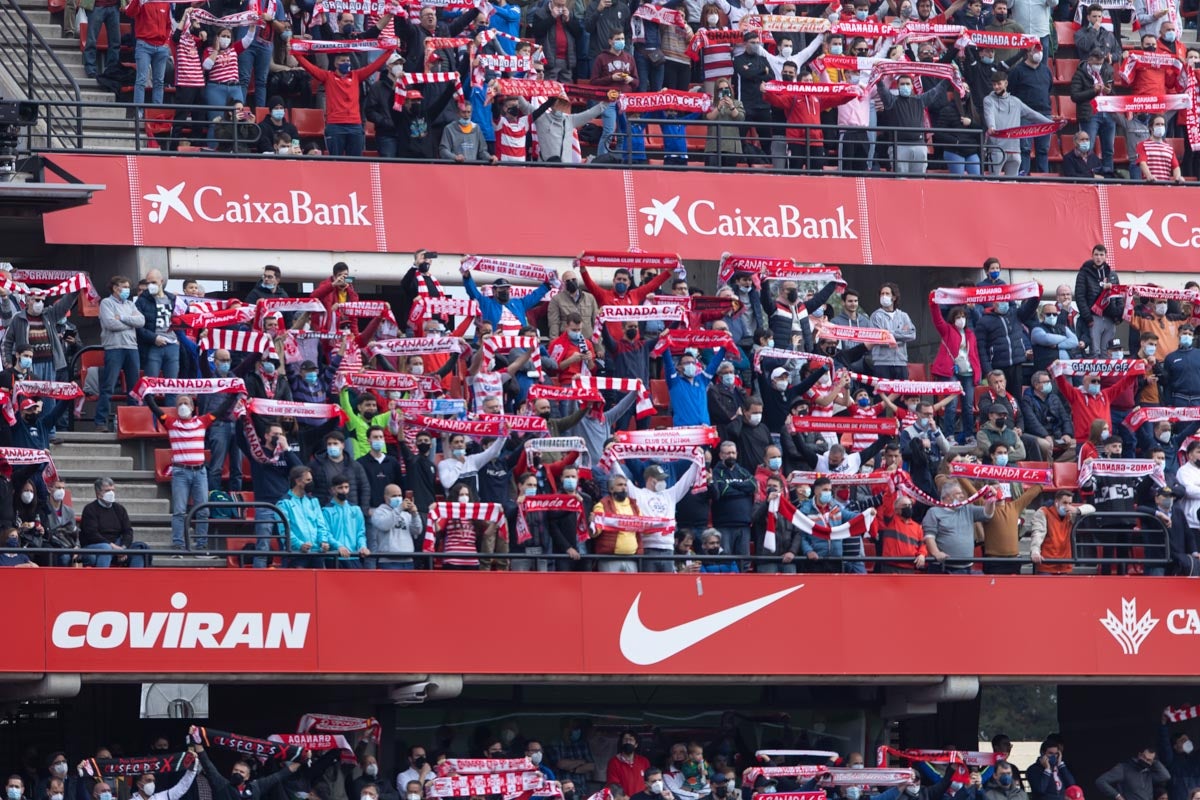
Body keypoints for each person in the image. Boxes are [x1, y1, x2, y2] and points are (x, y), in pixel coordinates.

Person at [293, 50, 392, 157]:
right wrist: (295, 53)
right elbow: (310, 68)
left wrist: (390, 51)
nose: (346, 63)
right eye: (343, 61)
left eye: (348, 60)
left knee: (355, 163)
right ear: (335, 64)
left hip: (355, 126)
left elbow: (374, 66)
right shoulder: (328, 76)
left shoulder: (356, 75)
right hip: (335, 126)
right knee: (336, 162)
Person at [94, 275, 144, 432]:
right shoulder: (106, 303)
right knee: (108, 385)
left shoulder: (130, 304)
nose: (127, 290)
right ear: (115, 288)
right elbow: (110, 324)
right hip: (114, 347)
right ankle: (100, 422)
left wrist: (122, 318)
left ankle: (133, 421)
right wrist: (130, 323)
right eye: (125, 286)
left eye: (128, 287)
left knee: (133, 386)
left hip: (132, 348)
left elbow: (141, 322)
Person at [984, 69, 1052, 176]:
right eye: (994, 84)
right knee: (994, 181)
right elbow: (989, 114)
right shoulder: (988, 100)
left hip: (1015, 149)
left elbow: (1033, 114)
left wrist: (1051, 123)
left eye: (999, 84)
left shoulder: (1016, 101)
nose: (996, 87)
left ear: (1006, 83)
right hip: (997, 149)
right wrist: (991, 126)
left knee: (1012, 183)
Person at [921, 480, 996, 573]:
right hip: (944, 568)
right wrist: (936, 553)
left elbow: (987, 514)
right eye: (958, 493)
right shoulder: (934, 512)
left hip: (966, 567)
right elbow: (929, 537)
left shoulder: (967, 509)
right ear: (947, 497)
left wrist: (991, 499)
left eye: (961, 493)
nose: (962, 496)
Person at [79, 477, 148, 568]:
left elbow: (128, 531)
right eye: (107, 490)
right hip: (96, 545)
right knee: (106, 548)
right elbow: (92, 534)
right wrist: (112, 547)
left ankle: (135, 580)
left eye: (113, 490)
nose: (111, 493)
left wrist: (123, 548)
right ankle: (101, 580)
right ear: (98, 493)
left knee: (139, 548)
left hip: (118, 545)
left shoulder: (119, 509)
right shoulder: (90, 509)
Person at [1070, 48, 1117, 178]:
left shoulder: (1106, 71)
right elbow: (1074, 96)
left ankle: (1108, 178)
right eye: (1097, 63)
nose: (1099, 65)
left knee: (1108, 150)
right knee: (1087, 148)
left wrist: (1109, 92)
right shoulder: (1080, 74)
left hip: (1107, 112)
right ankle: (1087, 176)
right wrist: (1092, 91)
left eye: (1101, 63)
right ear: (1090, 60)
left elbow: (1113, 92)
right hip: (1090, 114)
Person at [124, 0, 173, 111]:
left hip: (161, 47)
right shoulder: (142, 2)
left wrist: (166, 43)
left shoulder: (165, 3)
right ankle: (139, 113)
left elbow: (169, 25)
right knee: (141, 80)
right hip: (144, 45)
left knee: (159, 82)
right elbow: (129, 13)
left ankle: (156, 113)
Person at [1075, 244, 1119, 357]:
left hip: (1110, 317)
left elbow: (1119, 296)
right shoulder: (1084, 273)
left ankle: (1105, 375)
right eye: (1096, 255)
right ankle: (1095, 375)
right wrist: (1088, 317)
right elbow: (1080, 297)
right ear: (1092, 256)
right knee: (1095, 351)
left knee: (1107, 351)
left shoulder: (1112, 275)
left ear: (1105, 256)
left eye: (1101, 255)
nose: (1098, 257)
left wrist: (1118, 316)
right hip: (1094, 317)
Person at [1095, 748, 1169, 800]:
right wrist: (1118, 796)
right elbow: (1101, 781)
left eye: (1148, 760)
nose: (1145, 761)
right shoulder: (1124, 768)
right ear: (1139, 755)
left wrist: (1155, 761)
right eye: (1144, 757)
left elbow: (1166, 776)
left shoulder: (1148, 773)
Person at [1138, 115, 1185, 184]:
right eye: (1157, 124)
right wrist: (1149, 176)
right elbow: (1142, 163)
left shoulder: (1169, 148)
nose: (1160, 126)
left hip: (1165, 187)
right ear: (1151, 127)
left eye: (1162, 124)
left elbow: (1176, 167)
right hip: (1149, 186)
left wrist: (1177, 177)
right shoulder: (1142, 145)